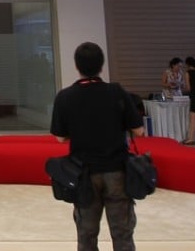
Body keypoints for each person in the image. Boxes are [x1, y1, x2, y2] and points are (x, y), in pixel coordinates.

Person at [50, 41, 145, 251]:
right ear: (102, 65)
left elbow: (60, 137)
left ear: (76, 66)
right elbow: (138, 130)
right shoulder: (117, 92)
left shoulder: (65, 97)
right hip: (117, 170)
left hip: (84, 173)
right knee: (122, 234)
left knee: (86, 235)